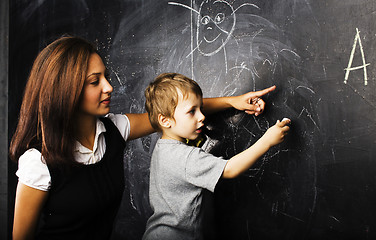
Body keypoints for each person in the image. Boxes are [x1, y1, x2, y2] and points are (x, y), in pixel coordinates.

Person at [9, 36, 276, 240]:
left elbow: (169, 113)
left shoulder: (113, 130)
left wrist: (233, 101)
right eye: (95, 81)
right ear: (65, 90)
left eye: (107, 77)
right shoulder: (38, 162)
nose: (109, 87)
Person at [142, 73, 290, 240]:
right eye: (192, 111)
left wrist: (235, 102)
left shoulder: (164, 148)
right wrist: (267, 141)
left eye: (200, 108)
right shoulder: (183, 157)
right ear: (165, 120)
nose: (202, 116)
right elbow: (230, 169)